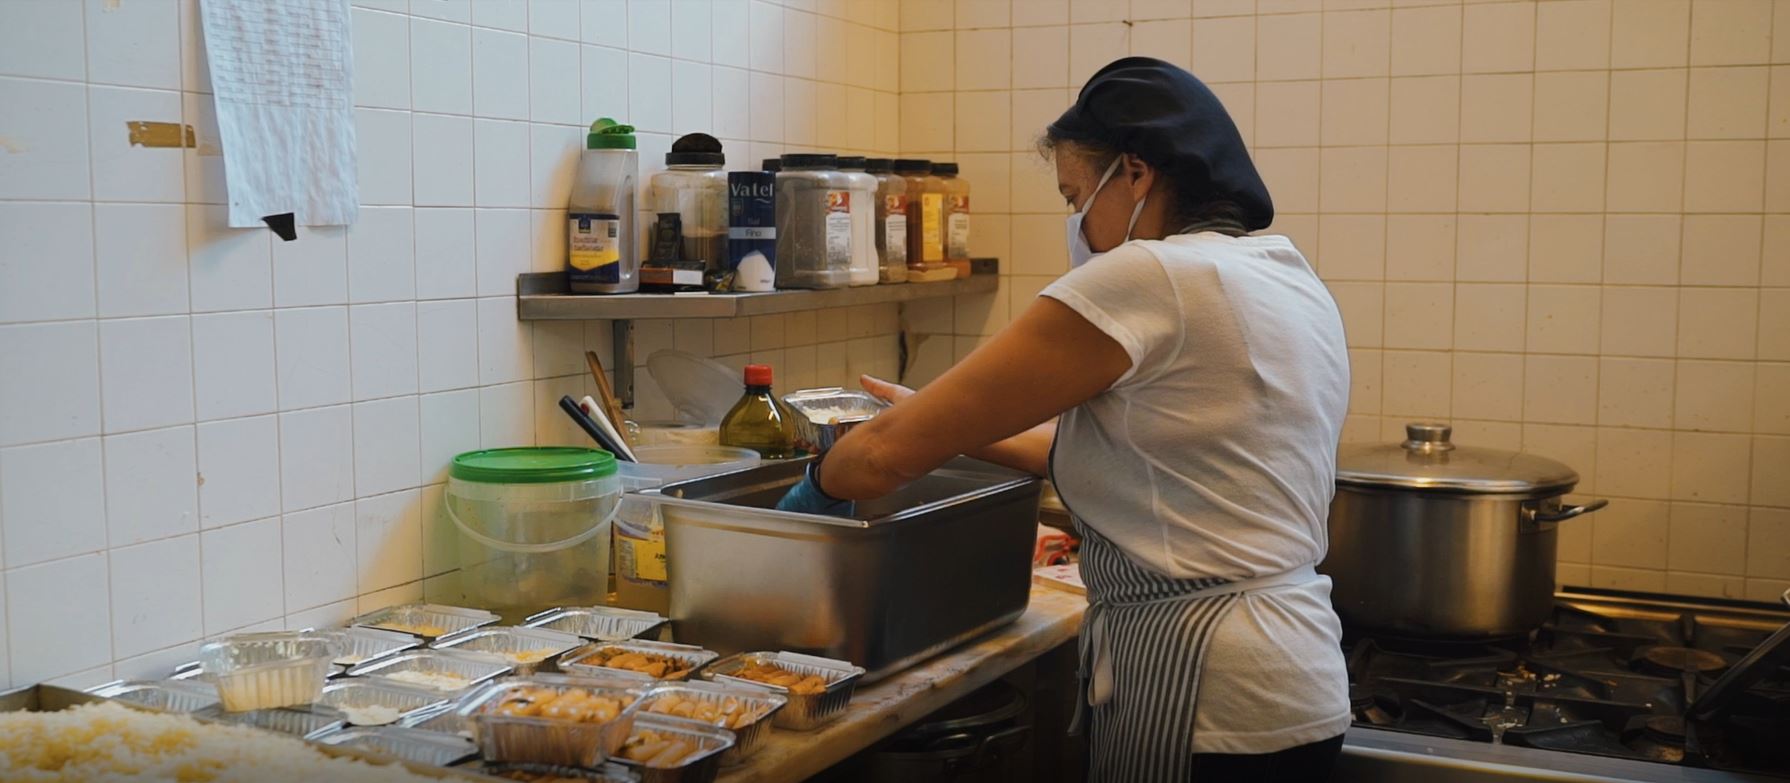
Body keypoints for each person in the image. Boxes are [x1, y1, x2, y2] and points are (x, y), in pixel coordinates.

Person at [779, 57, 1352, 782]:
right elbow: (1146, 460)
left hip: (1209, 691)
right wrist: (933, 420)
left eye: (1076, 194)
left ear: (1137, 173)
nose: (1075, 222)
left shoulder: (1152, 275)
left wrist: (815, 488)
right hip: (1296, 679)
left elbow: (884, 459)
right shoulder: (1279, 270)